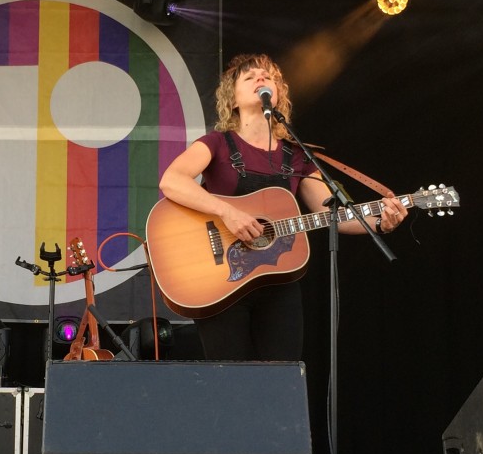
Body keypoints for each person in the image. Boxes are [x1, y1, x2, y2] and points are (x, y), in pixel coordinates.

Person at [159, 53, 409, 361]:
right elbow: (171, 181)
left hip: (277, 283)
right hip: (218, 281)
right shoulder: (217, 143)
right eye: (250, 78)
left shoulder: (298, 156)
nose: (261, 80)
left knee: (282, 378)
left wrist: (383, 222)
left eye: (269, 78)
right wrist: (227, 212)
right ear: (232, 99)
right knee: (230, 379)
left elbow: (334, 215)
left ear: (278, 95)